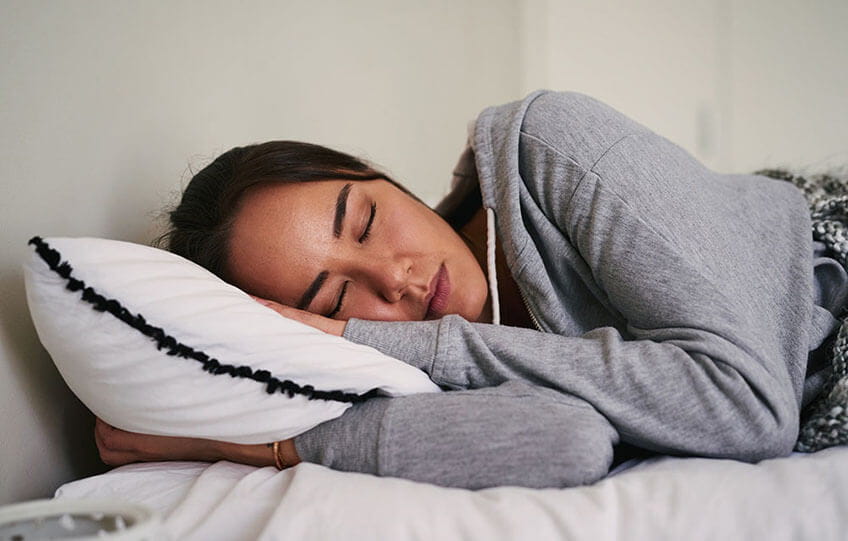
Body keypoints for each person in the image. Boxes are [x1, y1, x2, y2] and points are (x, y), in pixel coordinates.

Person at [94, 90, 847, 490]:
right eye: (334, 301)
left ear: (377, 174)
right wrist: (261, 445)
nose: (395, 279)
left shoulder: (551, 146)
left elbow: (745, 408)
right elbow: (569, 442)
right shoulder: (390, 368)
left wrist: (375, 332)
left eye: (365, 221)